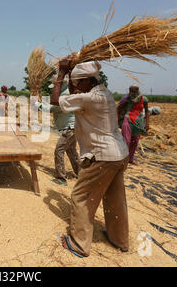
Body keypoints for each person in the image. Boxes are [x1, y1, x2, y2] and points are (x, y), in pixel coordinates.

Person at [50, 59, 129, 257]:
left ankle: (79, 244)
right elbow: (74, 94)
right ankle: (119, 240)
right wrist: (70, 74)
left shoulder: (89, 99)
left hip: (101, 155)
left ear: (86, 80)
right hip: (119, 154)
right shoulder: (105, 93)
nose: (75, 88)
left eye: (78, 83)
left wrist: (61, 73)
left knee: (81, 197)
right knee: (115, 198)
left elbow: (55, 99)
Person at [33, 74, 79, 185]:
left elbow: (52, 109)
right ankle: (81, 174)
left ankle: (61, 178)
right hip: (73, 127)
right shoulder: (66, 92)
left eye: (54, 85)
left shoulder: (65, 95)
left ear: (60, 84)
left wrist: (36, 104)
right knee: (72, 152)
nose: (53, 88)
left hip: (69, 128)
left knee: (59, 150)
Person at [117, 85, 149, 165]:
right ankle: (122, 158)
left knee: (135, 141)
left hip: (138, 122)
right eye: (131, 91)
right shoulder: (127, 99)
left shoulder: (144, 99)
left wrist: (147, 123)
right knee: (126, 140)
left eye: (134, 91)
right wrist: (117, 121)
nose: (133, 93)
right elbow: (118, 108)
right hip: (127, 121)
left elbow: (147, 111)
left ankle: (130, 159)